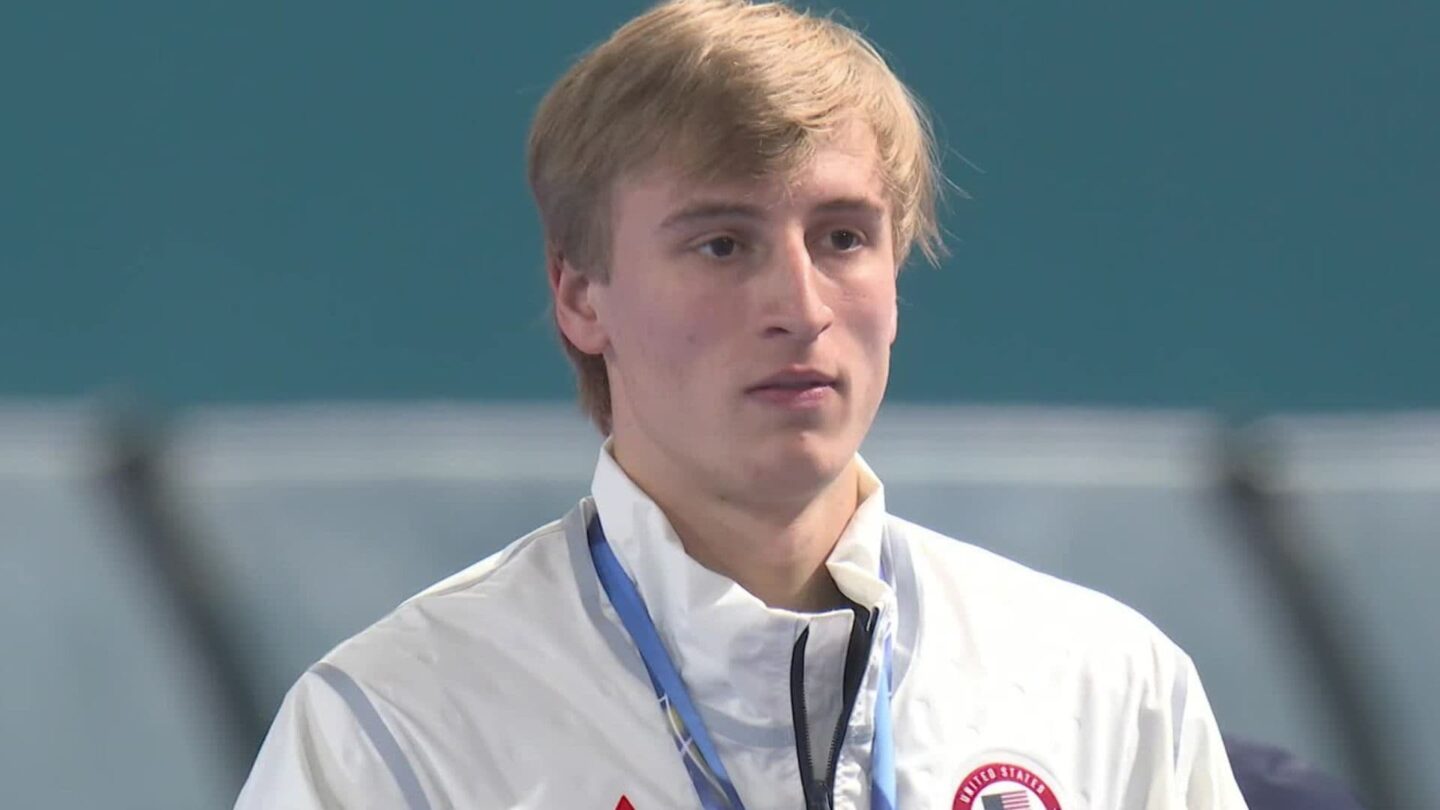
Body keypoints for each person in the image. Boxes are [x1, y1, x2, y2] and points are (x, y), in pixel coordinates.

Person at [236, 1, 1250, 807]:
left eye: (844, 238)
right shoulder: (397, 732)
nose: (800, 308)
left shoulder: (1104, 689)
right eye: (722, 244)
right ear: (580, 294)